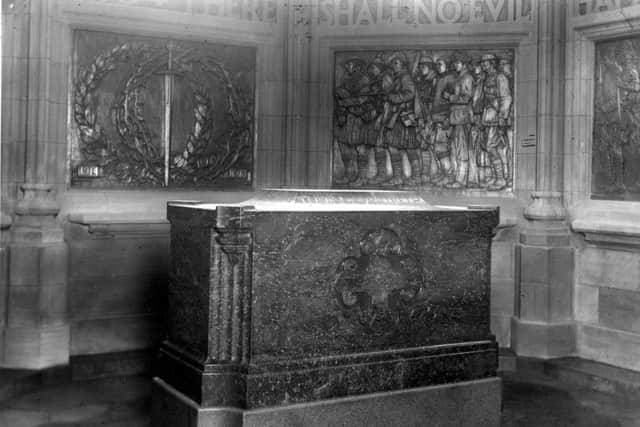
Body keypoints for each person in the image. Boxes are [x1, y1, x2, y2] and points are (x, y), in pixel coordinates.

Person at [381, 52, 419, 186]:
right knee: (392, 147)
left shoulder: (405, 77)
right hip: (395, 118)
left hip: (403, 117)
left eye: (396, 63)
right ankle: (397, 177)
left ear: (402, 64)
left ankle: (416, 177)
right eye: (393, 63)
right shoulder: (397, 77)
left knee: (410, 148)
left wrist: (393, 98)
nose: (394, 66)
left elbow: (410, 94)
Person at [334, 58, 369, 185]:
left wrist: (347, 100)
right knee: (344, 147)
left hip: (359, 118)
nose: (348, 66)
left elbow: (364, 98)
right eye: (347, 64)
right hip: (345, 117)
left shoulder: (364, 80)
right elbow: (339, 94)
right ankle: (349, 176)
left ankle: (362, 177)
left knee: (360, 147)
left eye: (350, 64)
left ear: (357, 66)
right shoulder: (345, 80)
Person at [480, 53, 511, 191]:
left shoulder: (500, 77)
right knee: (489, 148)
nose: (483, 65)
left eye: (485, 63)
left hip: (496, 117)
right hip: (488, 117)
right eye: (482, 63)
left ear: (492, 63)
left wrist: (502, 117)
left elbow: (505, 98)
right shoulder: (487, 78)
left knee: (492, 147)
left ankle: (500, 179)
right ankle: (495, 176)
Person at [445, 53, 474, 189]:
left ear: (464, 64)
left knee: (461, 149)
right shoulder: (460, 77)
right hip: (456, 117)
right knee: (455, 149)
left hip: (462, 117)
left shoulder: (467, 78)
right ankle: (457, 177)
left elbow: (467, 98)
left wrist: (450, 97)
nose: (456, 65)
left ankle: (461, 180)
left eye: (458, 63)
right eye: (455, 63)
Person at [413, 53, 439, 184]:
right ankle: (425, 174)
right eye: (420, 65)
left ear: (430, 66)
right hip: (421, 116)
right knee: (423, 145)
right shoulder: (420, 80)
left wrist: (430, 118)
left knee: (431, 145)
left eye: (424, 65)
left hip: (431, 116)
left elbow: (436, 100)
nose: (422, 67)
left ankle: (432, 174)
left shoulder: (435, 79)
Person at [431, 57, 456, 186]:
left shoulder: (450, 79)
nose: (438, 66)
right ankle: (443, 173)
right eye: (437, 64)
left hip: (444, 118)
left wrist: (448, 118)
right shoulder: (438, 79)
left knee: (441, 147)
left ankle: (449, 175)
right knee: (437, 147)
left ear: (447, 65)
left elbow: (453, 100)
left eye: (441, 64)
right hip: (437, 118)